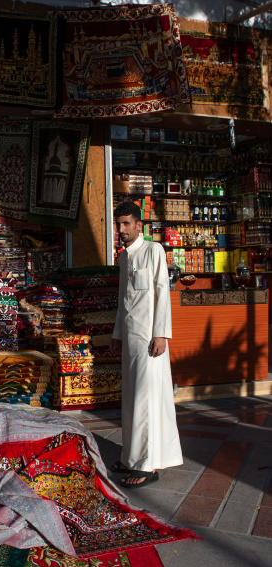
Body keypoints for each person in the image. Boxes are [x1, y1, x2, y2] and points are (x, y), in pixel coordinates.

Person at [109, 200, 182, 487]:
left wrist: (162, 333)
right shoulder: (124, 257)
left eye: (126, 223)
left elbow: (162, 292)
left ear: (139, 225)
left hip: (151, 340)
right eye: (119, 224)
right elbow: (122, 301)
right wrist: (117, 333)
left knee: (147, 400)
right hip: (130, 339)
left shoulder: (154, 250)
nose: (122, 229)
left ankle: (148, 466)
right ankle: (130, 457)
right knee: (131, 399)